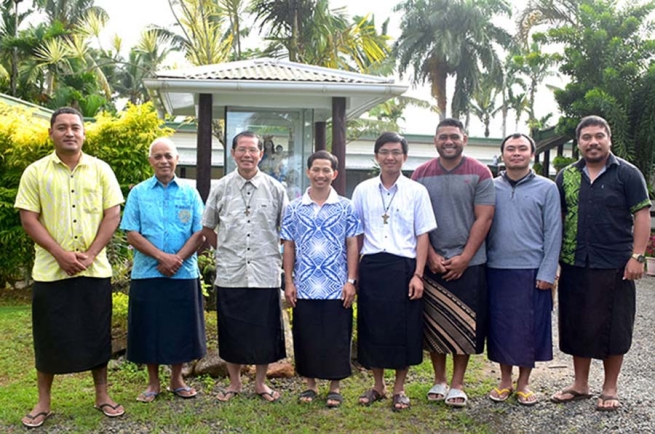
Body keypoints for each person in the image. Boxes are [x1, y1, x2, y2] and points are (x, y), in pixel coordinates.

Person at [15, 107, 125, 428]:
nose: (69, 133)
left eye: (75, 127)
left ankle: (102, 395)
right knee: (48, 336)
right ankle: (43, 402)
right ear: (50, 133)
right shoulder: (35, 172)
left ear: (84, 133)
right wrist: (59, 253)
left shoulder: (101, 170)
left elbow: (112, 214)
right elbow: (28, 218)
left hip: (94, 270)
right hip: (51, 271)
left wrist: (90, 254)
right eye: (61, 127)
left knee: (97, 335)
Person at [551, 115, 650, 411]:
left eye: (598, 136)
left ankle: (610, 387)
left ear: (609, 139)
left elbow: (642, 215)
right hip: (574, 261)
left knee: (614, 326)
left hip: (616, 264)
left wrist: (637, 256)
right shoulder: (566, 176)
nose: (592, 142)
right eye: (586, 137)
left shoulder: (628, 174)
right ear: (578, 143)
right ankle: (580, 384)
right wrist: (553, 262)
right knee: (576, 323)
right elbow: (558, 218)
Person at [412, 118, 495, 407]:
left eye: (454, 137)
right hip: (433, 262)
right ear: (435, 141)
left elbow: (484, 218)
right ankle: (439, 379)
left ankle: (458, 383)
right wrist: (431, 256)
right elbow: (416, 220)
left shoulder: (480, 172)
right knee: (435, 325)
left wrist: (465, 258)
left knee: (464, 324)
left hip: (470, 263)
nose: (449, 141)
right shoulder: (420, 174)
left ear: (465, 139)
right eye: (443, 137)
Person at [201, 131, 289, 403]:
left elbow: (284, 231)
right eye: (242, 149)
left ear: (261, 154)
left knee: (264, 330)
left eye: (253, 150)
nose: (247, 155)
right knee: (232, 330)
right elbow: (208, 227)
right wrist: (226, 249)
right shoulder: (221, 187)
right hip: (232, 272)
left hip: (265, 272)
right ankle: (235, 383)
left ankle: (261, 383)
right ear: (233, 153)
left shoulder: (276, 189)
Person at [352, 132, 437, 411]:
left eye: (396, 152)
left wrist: (418, 274)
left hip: (404, 266)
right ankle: (378, 385)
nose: (390, 157)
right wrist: (354, 276)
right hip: (373, 266)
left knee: (405, 328)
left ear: (405, 156)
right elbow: (356, 236)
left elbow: (423, 234)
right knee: (373, 325)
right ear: (376, 156)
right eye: (385, 152)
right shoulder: (363, 190)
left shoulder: (416, 191)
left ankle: (400, 388)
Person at [120, 138, 206, 403]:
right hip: (148, 272)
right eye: (157, 156)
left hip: (183, 272)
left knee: (181, 326)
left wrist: (177, 259)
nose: (163, 161)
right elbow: (131, 232)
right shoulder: (139, 193)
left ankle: (177, 379)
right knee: (150, 327)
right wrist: (161, 257)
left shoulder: (190, 193)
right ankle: (153, 382)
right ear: (150, 161)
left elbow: (200, 231)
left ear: (177, 159)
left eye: (168, 155)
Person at [280, 150, 362, 408]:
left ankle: (335, 385)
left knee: (337, 335)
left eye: (326, 170)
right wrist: (289, 282)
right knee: (307, 335)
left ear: (334, 174)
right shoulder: (294, 208)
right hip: (304, 284)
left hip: (336, 284)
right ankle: (310, 384)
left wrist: (351, 280)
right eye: (316, 169)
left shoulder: (346, 207)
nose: (321, 175)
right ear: (308, 172)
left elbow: (352, 244)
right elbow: (289, 246)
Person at [485, 133, 562, 406]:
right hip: (496, 269)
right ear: (502, 155)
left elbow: (554, 232)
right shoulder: (490, 187)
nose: (516, 153)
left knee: (531, 328)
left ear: (531, 154)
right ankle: (504, 381)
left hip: (532, 270)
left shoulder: (547, 188)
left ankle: (524, 382)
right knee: (501, 327)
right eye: (510, 149)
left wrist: (547, 271)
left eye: (522, 149)